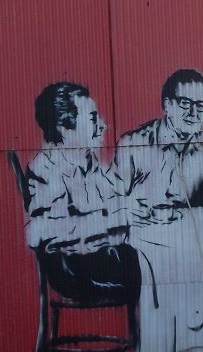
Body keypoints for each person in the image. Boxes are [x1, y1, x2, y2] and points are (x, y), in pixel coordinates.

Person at [25, 82, 141, 304]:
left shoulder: (87, 162)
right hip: (72, 270)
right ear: (64, 126)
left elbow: (113, 203)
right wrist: (112, 219)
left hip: (101, 257)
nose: (103, 126)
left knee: (156, 259)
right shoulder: (45, 169)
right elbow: (41, 232)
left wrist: (132, 209)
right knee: (154, 271)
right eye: (93, 119)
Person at [113, 69, 203, 224]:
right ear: (167, 105)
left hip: (187, 233)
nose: (194, 113)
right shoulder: (133, 144)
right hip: (142, 233)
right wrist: (127, 209)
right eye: (185, 103)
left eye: (201, 105)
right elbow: (111, 198)